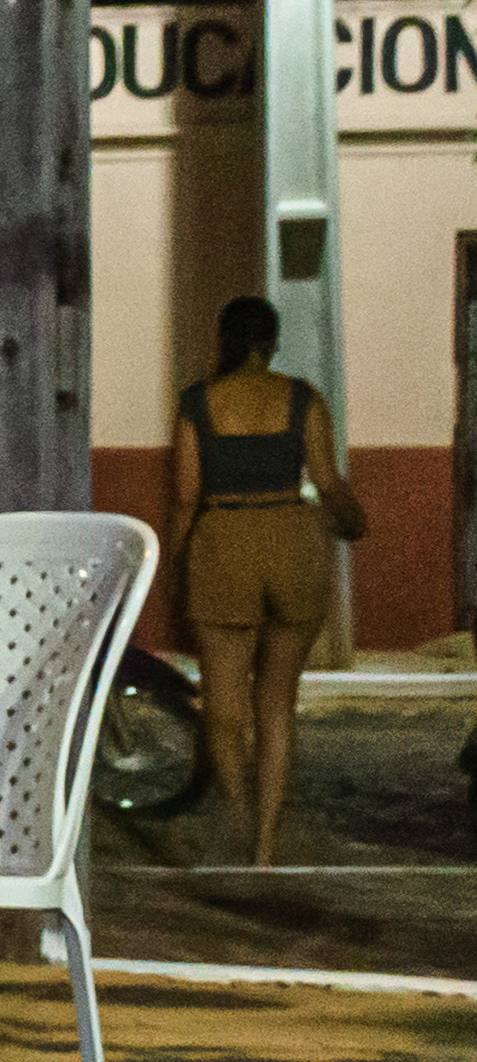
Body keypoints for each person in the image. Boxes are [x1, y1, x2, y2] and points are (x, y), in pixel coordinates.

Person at [172, 294, 363, 865]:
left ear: (224, 342)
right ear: (273, 342)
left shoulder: (197, 403)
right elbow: (327, 481)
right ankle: (266, 842)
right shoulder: (304, 398)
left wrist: (174, 562)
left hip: (224, 543)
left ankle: (237, 815)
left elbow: (186, 497)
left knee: (224, 708)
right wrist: (353, 520)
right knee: (277, 703)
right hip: (291, 542)